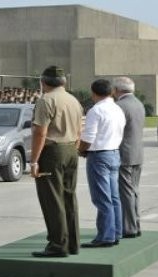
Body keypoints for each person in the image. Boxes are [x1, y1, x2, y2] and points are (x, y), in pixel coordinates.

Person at [30, 66, 83, 258]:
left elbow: (40, 132)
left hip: (52, 151)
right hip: (70, 149)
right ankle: (73, 243)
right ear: (63, 82)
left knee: (52, 199)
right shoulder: (73, 99)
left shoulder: (46, 100)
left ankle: (58, 245)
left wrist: (34, 161)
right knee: (69, 197)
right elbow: (79, 129)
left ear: (43, 82)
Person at [78, 79, 126, 248]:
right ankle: (116, 232)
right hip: (114, 153)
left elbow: (89, 137)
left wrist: (80, 150)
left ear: (93, 93)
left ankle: (106, 236)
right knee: (114, 197)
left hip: (99, 155)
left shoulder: (96, 110)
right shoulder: (117, 109)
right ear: (111, 92)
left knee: (102, 199)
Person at [112, 77, 145, 238]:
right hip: (137, 153)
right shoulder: (138, 103)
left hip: (124, 154)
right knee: (134, 191)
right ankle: (135, 224)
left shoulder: (119, 106)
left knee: (125, 193)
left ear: (117, 90)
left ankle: (129, 228)